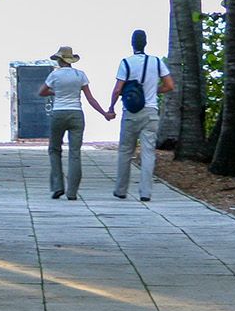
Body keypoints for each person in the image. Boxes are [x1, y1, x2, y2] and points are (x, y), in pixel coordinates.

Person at [39, 45, 110, 200]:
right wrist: (104, 113)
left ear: (60, 60)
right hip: (76, 114)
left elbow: (42, 92)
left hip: (59, 113)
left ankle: (58, 186)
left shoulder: (54, 75)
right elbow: (90, 98)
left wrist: (56, 92)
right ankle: (72, 192)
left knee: (54, 149)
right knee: (75, 153)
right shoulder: (80, 75)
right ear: (70, 60)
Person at [110, 29, 174, 201]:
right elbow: (170, 85)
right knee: (148, 153)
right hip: (150, 112)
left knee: (125, 151)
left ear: (132, 44)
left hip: (131, 112)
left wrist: (111, 108)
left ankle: (121, 190)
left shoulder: (126, 63)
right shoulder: (157, 62)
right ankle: (145, 192)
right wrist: (153, 91)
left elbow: (117, 89)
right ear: (146, 43)